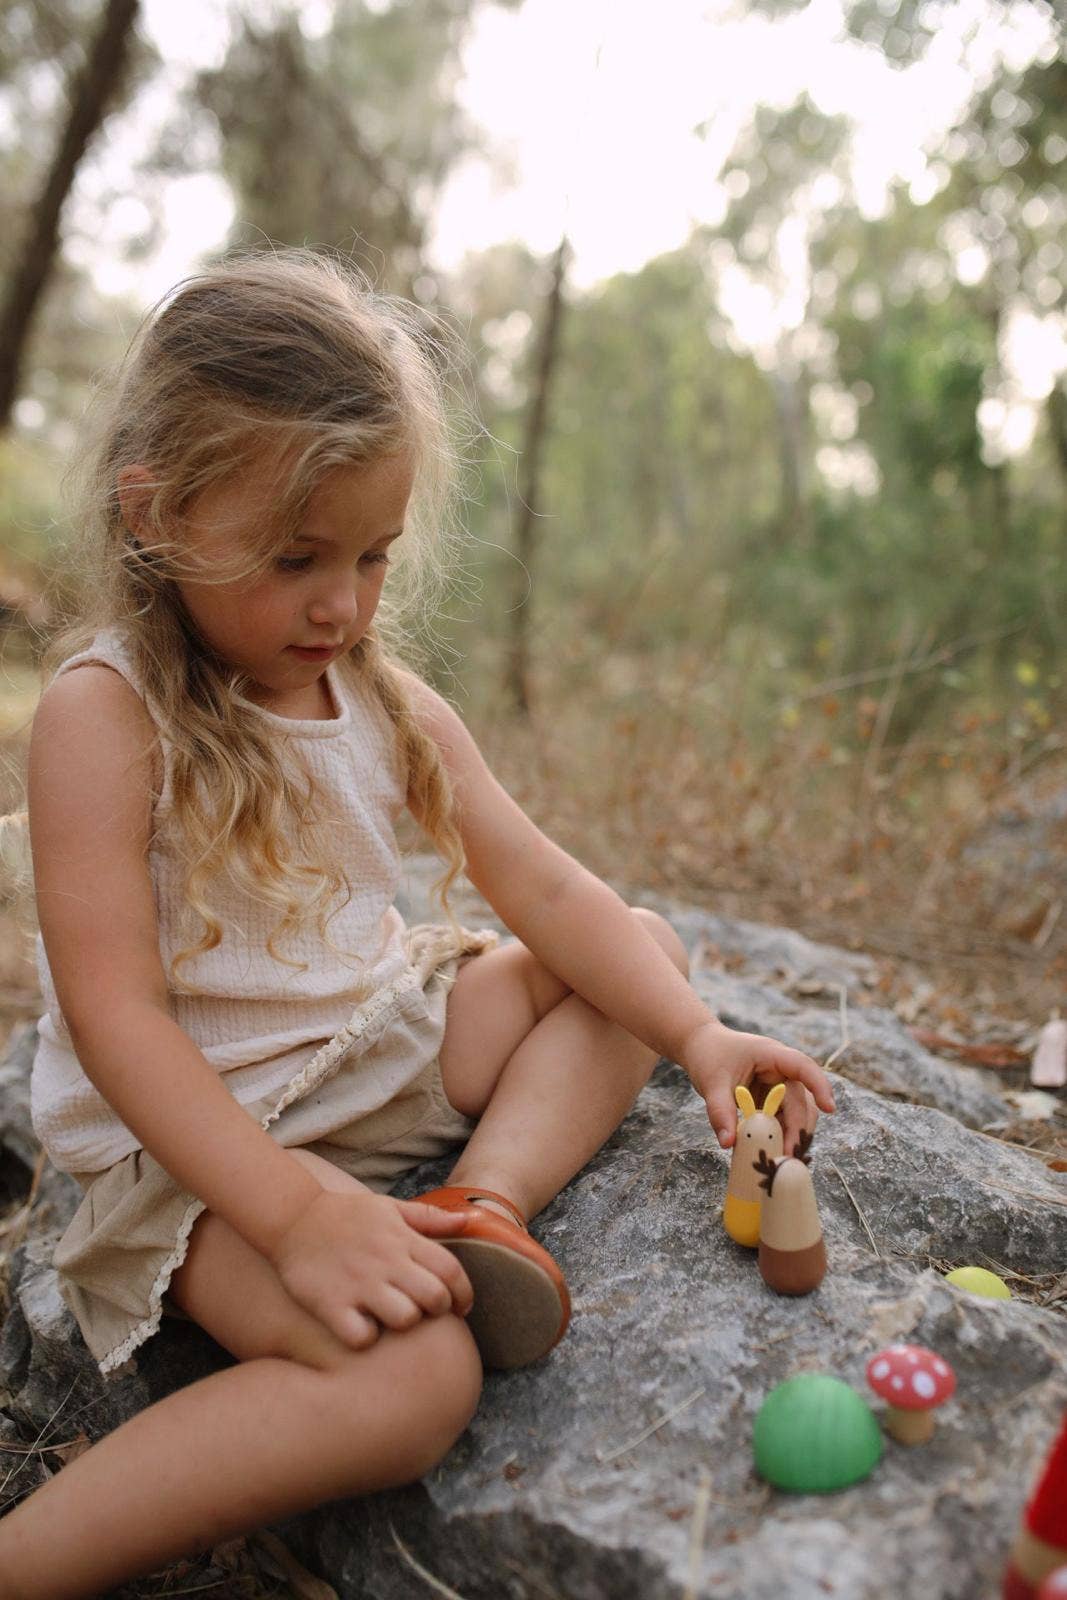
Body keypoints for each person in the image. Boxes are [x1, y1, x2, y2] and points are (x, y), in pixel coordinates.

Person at [0, 250, 834, 1600]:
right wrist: (294, 1217)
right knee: (419, 1379)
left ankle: (480, 1203)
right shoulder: (106, 714)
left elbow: (543, 890)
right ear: (154, 513)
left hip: (373, 1052)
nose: (343, 603)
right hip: (198, 1145)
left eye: (373, 556)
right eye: (296, 558)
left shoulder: (380, 699)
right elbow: (116, 1021)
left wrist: (698, 1037)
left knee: (636, 955)